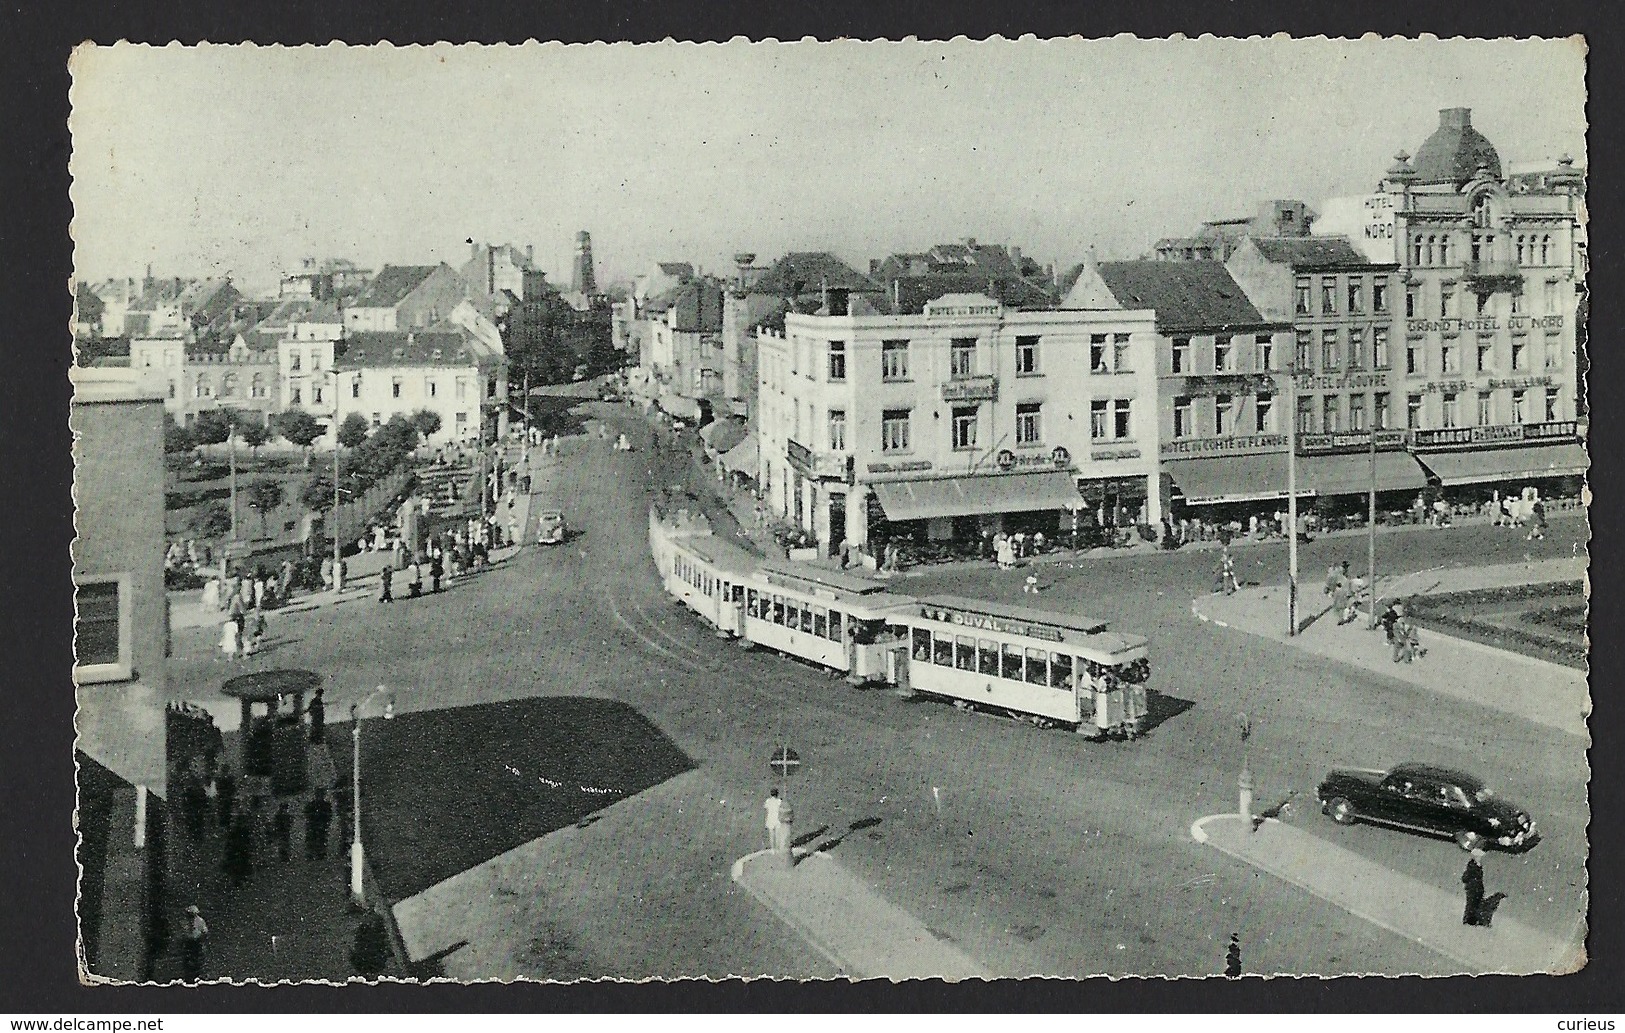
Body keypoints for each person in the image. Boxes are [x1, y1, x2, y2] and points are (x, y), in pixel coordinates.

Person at [181, 905, 209, 980]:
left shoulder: (200, 921)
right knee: (188, 963)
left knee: (197, 962)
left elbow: (204, 932)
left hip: (197, 944)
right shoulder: (185, 922)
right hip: (188, 944)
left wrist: (199, 938)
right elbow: (183, 933)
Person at [1462, 849, 1487, 926]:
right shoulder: (1472, 866)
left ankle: (1471, 918)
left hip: (1476, 888)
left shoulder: (1476, 866)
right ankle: (1469, 919)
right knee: (1472, 904)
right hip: (1474, 889)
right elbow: (1465, 878)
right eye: (1479, 857)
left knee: (1474, 904)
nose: (1480, 858)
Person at [305, 788, 331, 860]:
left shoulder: (325, 805)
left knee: (321, 839)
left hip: (320, 825)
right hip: (314, 825)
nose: (319, 796)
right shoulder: (312, 805)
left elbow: (328, 815)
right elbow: (307, 814)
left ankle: (320, 853)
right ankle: (312, 853)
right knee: (312, 839)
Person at [763, 788, 783, 853]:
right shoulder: (779, 801)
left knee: (771, 835)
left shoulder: (768, 801)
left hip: (770, 819)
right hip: (777, 819)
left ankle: (772, 849)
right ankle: (777, 849)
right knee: (777, 835)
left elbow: (766, 809)